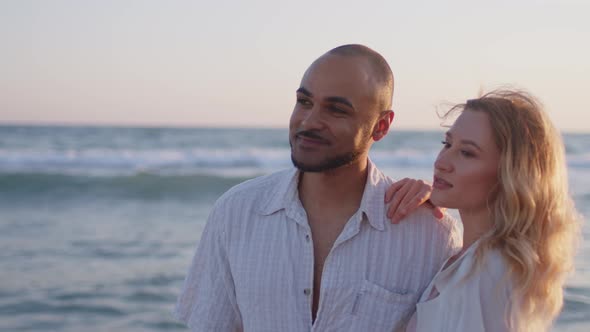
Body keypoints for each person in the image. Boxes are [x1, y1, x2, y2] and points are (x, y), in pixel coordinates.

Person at [174, 44, 461, 331]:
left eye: (336, 110)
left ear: (381, 126)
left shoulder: (431, 235)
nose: (309, 122)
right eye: (304, 101)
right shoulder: (236, 212)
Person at [388, 90, 580, 331]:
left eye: (467, 153)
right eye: (447, 144)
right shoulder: (466, 261)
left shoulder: (493, 271)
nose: (441, 162)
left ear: (510, 175)